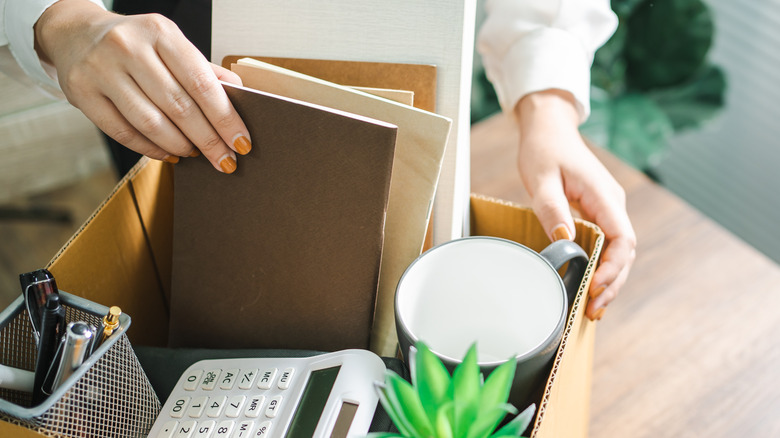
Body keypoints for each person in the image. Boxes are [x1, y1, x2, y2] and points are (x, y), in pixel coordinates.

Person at [0, 0, 635, 321]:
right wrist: (58, 17)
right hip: (175, 65)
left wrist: (546, 100)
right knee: (202, 273)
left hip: (414, 45)